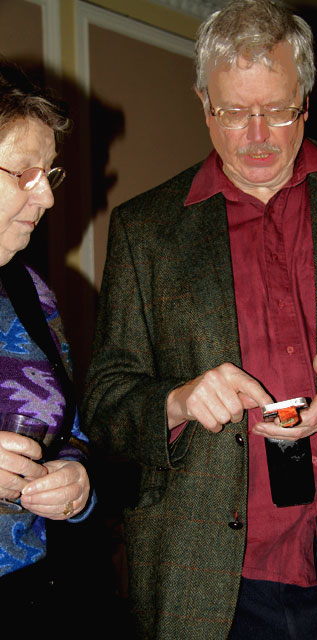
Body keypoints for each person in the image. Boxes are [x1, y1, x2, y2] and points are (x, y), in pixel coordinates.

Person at [83, 1, 317, 638]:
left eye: (276, 110)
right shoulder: (145, 230)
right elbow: (108, 402)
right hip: (208, 576)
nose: (256, 136)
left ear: (305, 99)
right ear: (203, 102)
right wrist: (178, 400)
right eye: (233, 112)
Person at [0, 60, 92, 611]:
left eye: (49, 173)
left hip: (33, 591)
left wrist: (78, 481)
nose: (49, 198)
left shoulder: (32, 292)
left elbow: (72, 428)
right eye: (23, 173)